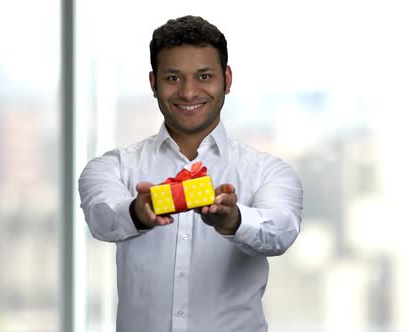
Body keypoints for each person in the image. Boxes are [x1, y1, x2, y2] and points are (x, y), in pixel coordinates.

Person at [78, 15, 303, 332]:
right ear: (153, 82)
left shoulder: (269, 172)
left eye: (204, 76)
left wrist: (234, 220)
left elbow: (282, 231)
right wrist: (137, 212)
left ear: (226, 79)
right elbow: (101, 217)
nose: (188, 92)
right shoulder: (111, 167)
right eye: (173, 78)